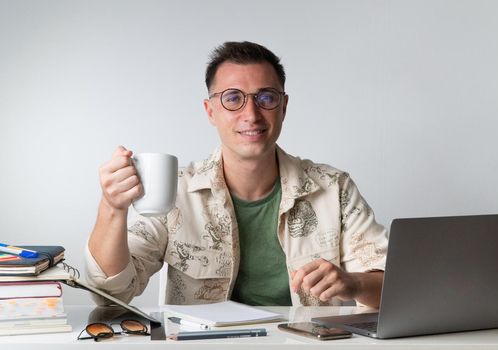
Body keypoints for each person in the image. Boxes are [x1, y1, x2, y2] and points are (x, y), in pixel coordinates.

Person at [85, 41, 388, 308]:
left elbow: (393, 285)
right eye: (233, 98)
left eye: (266, 98)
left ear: (283, 107)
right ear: (210, 111)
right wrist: (112, 208)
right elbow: (111, 293)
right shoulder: (175, 191)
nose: (251, 114)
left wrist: (354, 284)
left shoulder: (333, 188)